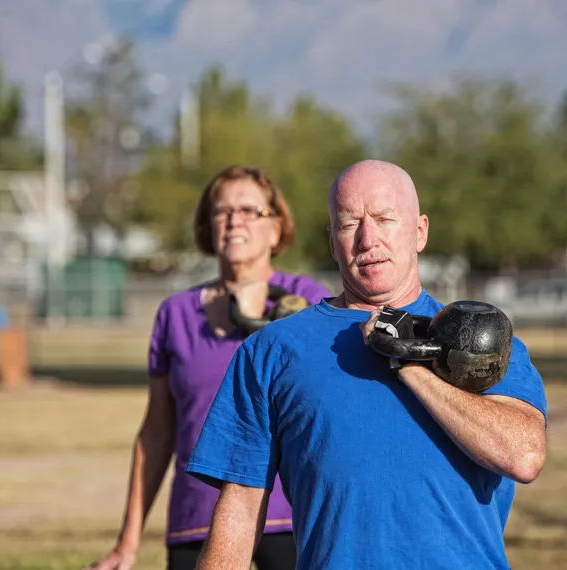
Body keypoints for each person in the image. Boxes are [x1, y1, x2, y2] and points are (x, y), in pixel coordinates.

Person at [185, 160, 548, 570]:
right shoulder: (272, 348)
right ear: (332, 241)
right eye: (348, 223)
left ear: (420, 231)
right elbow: (241, 506)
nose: (367, 238)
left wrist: (408, 364)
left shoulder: (480, 340)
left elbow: (525, 455)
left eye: (384, 218)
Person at [84, 165, 331, 570]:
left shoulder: (310, 301)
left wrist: (267, 321)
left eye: (250, 210)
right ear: (207, 226)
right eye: (222, 211)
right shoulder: (175, 315)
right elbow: (157, 433)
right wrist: (126, 545)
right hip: (196, 522)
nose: (234, 220)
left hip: (292, 520)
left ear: (276, 227)